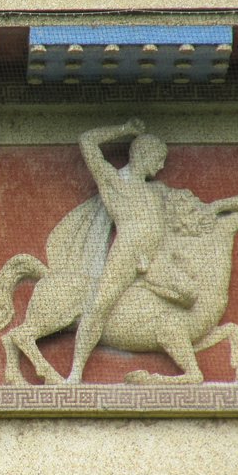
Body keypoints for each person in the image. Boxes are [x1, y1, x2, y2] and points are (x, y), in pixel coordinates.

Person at [66, 118, 168, 383]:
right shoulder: (115, 182)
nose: (162, 166)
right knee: (100, 306)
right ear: (143, 154)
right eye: (158, 158)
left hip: (155, 257)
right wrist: (125, 130)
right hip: (127, 253)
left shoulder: (155, 192)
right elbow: (87, 141)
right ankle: (76, 372)